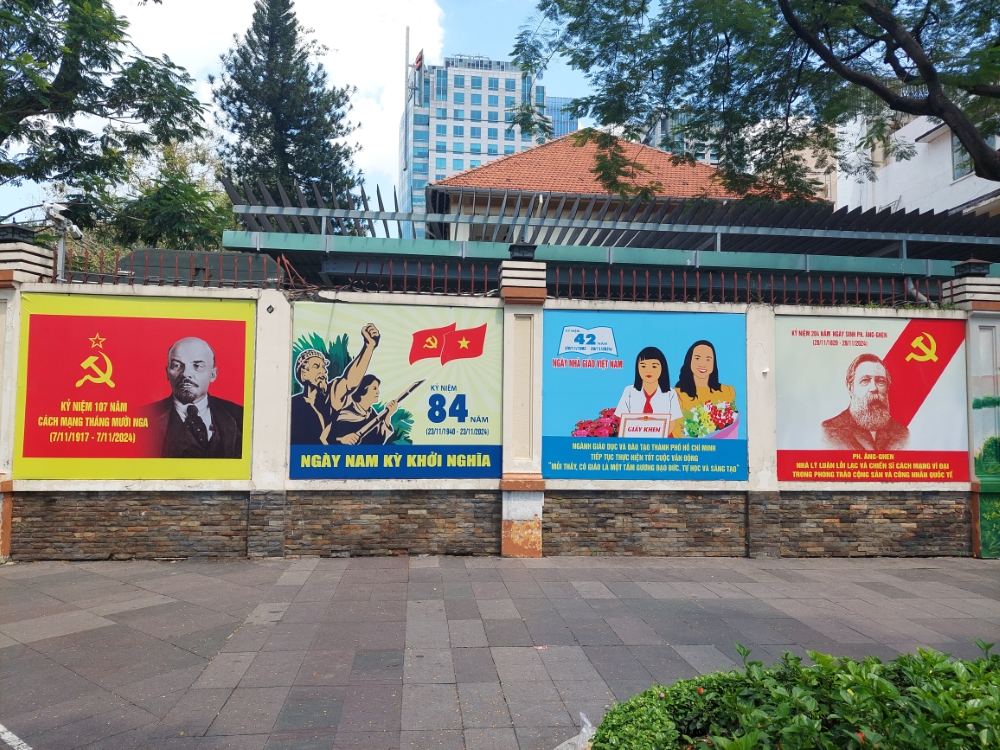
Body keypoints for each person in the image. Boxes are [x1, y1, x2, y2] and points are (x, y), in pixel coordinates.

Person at [141, 337, 243, 459]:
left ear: (213, 374)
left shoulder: (240, 415)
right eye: (177, 365)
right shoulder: (142, 417)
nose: (185, 373)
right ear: (167, 372)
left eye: (197, 366)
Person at [289, 323, 381, 445]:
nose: (323, 371)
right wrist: (340, 440)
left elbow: (350, 380)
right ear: (303, 374)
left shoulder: (330, 397)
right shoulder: (293, 404)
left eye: (324, 367)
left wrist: (369, 347)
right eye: (316, 367)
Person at [822, 353, 909, 450]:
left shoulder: (902, 434)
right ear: (850, 388)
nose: (874, 388)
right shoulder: (829, 431)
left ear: (887, 388)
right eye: (865, 380)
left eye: (880, 381)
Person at [672, 340, 738, 437]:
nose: (703, 364)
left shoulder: (727, 391)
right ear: (689, 361)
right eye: (697, 358)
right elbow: (676, 432)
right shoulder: (676, 394)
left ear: (713, 363)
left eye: (708, 359)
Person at [613, 346, 681, 436]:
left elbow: (672, 424)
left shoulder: (670, 393)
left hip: (664, 442)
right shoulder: (629, 391)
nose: (648, 371)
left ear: (662, 368)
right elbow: (622, 420)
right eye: (643, 366)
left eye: (654, 366)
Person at [332, 375, 398, 445]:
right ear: (364, 389)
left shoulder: (372, 414)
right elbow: (325, 438)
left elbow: (379, 439)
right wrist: (342, 440)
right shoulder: (344, 414)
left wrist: (388, 415)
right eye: (374, 388)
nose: (378, 392)